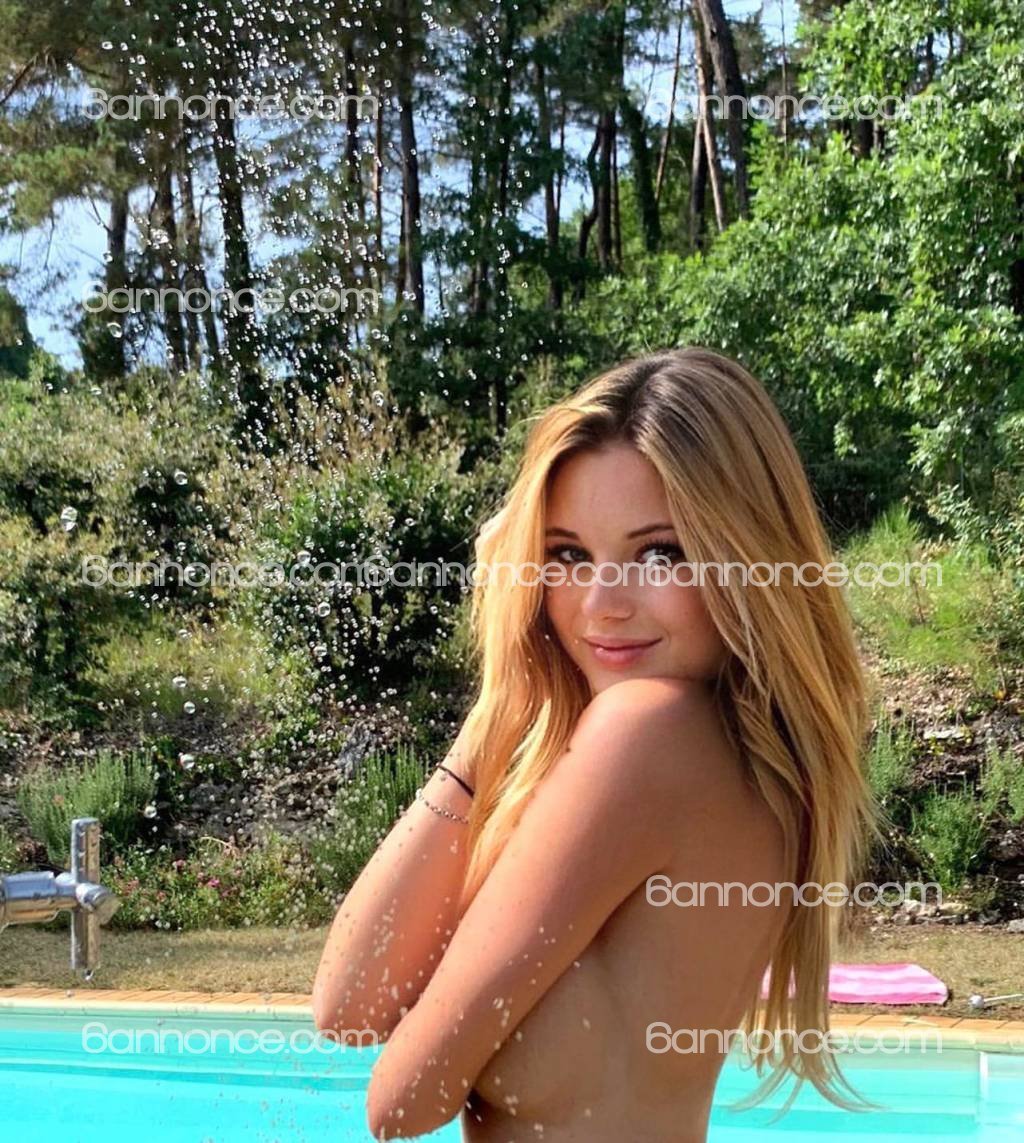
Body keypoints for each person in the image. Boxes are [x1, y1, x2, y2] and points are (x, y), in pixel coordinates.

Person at [312, 347, 878, 1141]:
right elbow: (349, 1008)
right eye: (568, 554)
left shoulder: (644, 737)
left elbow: (400, 1100)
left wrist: (499, 702)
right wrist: (503, 712)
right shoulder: (733, 758)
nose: (601, 604)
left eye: (660, 553)